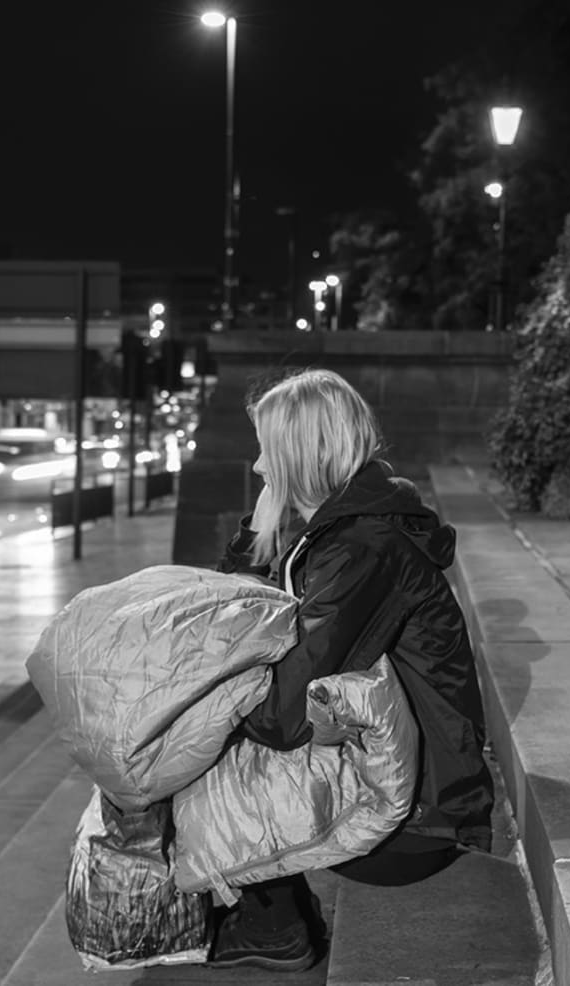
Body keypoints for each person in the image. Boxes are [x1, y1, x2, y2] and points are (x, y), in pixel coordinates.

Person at [210, 367, 494, 972]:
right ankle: (270, 914)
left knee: (202, 741)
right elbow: (254, 620)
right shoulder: (352, 529)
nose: (259, 468)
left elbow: (284, 715)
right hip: (410, 787)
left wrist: (207, 704)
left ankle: (272, 920)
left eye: (266, 452)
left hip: (416, 826)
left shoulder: (362, 547)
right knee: (210, 717)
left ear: (299, 454)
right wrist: (257, 535)